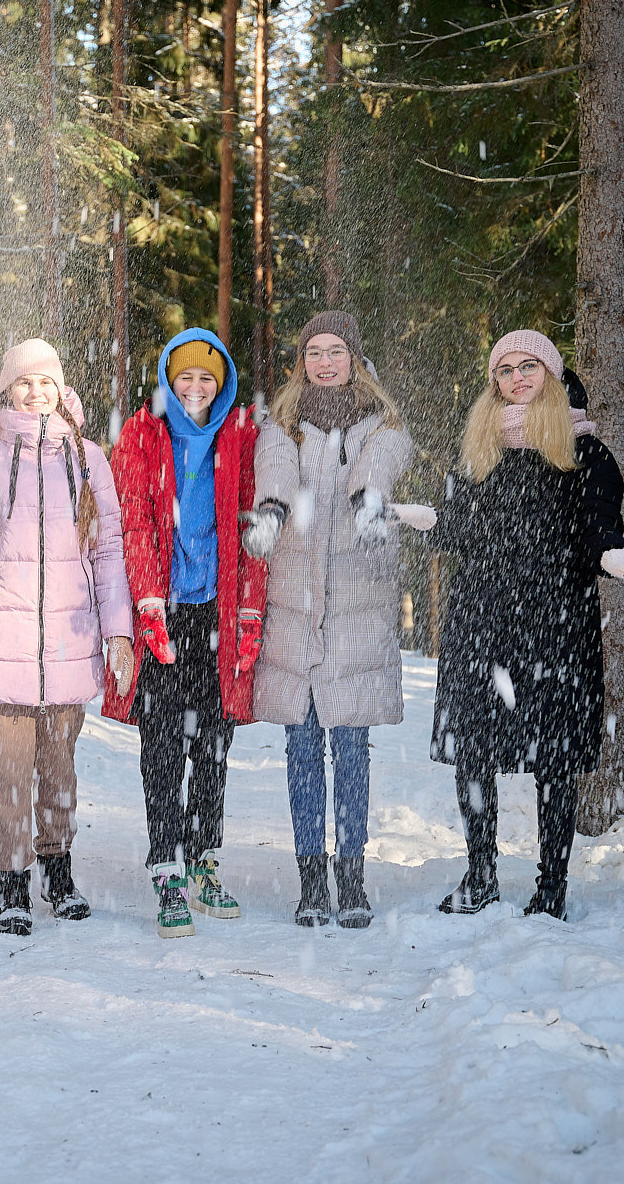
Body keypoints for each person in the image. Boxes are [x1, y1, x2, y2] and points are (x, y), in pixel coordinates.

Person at [423, 330, 624, 921]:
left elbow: (599, 527)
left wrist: (613, 556)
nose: (517, 378)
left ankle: (552, 885)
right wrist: (417, 518)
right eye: (505, 370)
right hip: (481, 620)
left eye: (529, 366)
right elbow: (456, 530)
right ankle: (480, 875)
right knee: (475, 749)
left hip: (557, 624)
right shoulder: (478, 449)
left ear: (551, 374)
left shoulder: (585, 452)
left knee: (556, 754)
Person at [0, 338, 134, 936]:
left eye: (46, 382)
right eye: (24, 382)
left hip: (69, 644)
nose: (36, 391)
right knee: (6, 773)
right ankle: (12, 880)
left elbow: (108, 553)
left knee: (59, 772)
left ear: (61, 390)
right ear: (6, 390)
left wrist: (118, 631)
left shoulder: (88, 459)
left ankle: (58, 869)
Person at [242, 310, 411, 928]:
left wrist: (368, 498)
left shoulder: (381, 424)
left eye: (335, 350)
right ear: (302, 361)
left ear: (354, 357)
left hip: (356, 611)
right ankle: (312, 879)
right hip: (298, 606)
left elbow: (386, 458)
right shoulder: (282, 423)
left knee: (352, 749)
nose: (324, 362)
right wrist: (271, 510)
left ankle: (352, 876)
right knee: (303, 748)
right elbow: (276, 469)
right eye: (314, 351)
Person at [106, 329, 267, 938]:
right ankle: (166, 868)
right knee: (163, 745)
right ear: (168, 381)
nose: (195, 388)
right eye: (185, 377)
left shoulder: (239, 437)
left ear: (221, 383)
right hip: (161, 613)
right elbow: (133, 523)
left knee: (213, 744)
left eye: (207, 377)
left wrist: (248, 613)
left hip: (215, 614)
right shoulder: (142, 435)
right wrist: (148, 603)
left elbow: (252, 528)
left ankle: (203, 861)